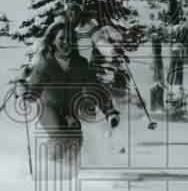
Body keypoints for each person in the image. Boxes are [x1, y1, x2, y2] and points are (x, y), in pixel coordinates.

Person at [22, 22, 120, 161]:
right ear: (53, 41)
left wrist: (109, 111)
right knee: (59, 138)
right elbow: (35, 88)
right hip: (48, 108)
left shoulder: (81, 64)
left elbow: (95, 88)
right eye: (61, 38)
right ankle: (49, 165)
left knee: (76, 142)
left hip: (71, 109)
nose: (66, 42)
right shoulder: (45, 64)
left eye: (69, 38)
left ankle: (72, 172)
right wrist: (25, 92)